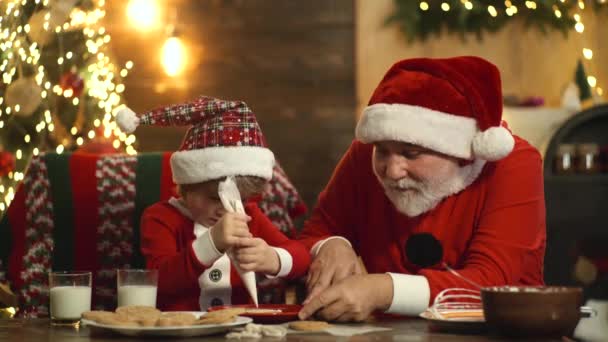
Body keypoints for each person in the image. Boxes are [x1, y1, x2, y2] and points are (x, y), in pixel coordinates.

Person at [297, 56, 546, 322]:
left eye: (412, 153)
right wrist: (331, 244)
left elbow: (490, 285)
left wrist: (382, 290)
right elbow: (316, 232)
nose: (392, 171)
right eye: (382, 151)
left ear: (461, 151)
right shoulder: (365, 155)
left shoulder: (511, 163)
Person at [116, 96, 310, 311]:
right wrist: (212, 243)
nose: (227, 209)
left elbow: (301, 255)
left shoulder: (248, 215)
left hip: (239, 326)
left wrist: (273, 258)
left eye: (240, 199)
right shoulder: (160, 217)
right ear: (188, 184)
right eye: (215, 198)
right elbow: (159, 282)